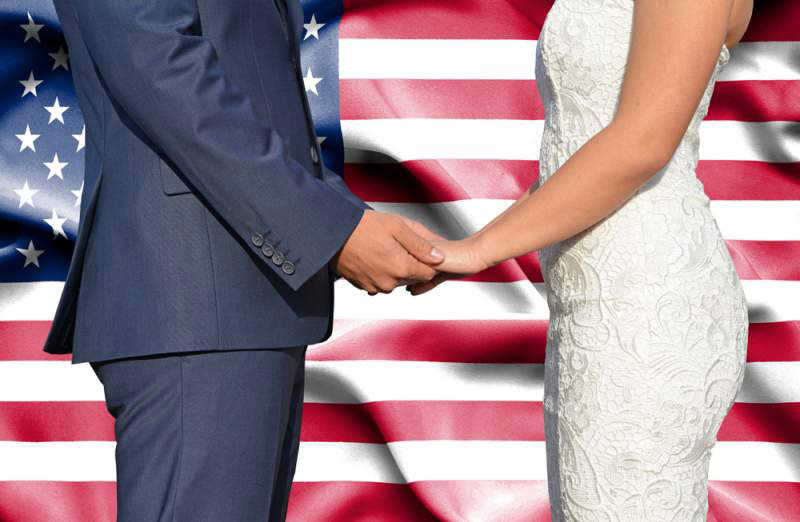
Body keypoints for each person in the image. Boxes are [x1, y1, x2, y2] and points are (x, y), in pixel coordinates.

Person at [43, 0, 443, 520]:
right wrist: (329, 230)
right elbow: (159, 65)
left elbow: (246, 80)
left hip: (234, 302)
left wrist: (340, 219)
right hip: (196, 300)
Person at [408, 0, 753, 519]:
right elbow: (573, 157)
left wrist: (477, 252)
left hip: (647, 306)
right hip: (594, 308)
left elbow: (642, 144)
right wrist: (462, 252)